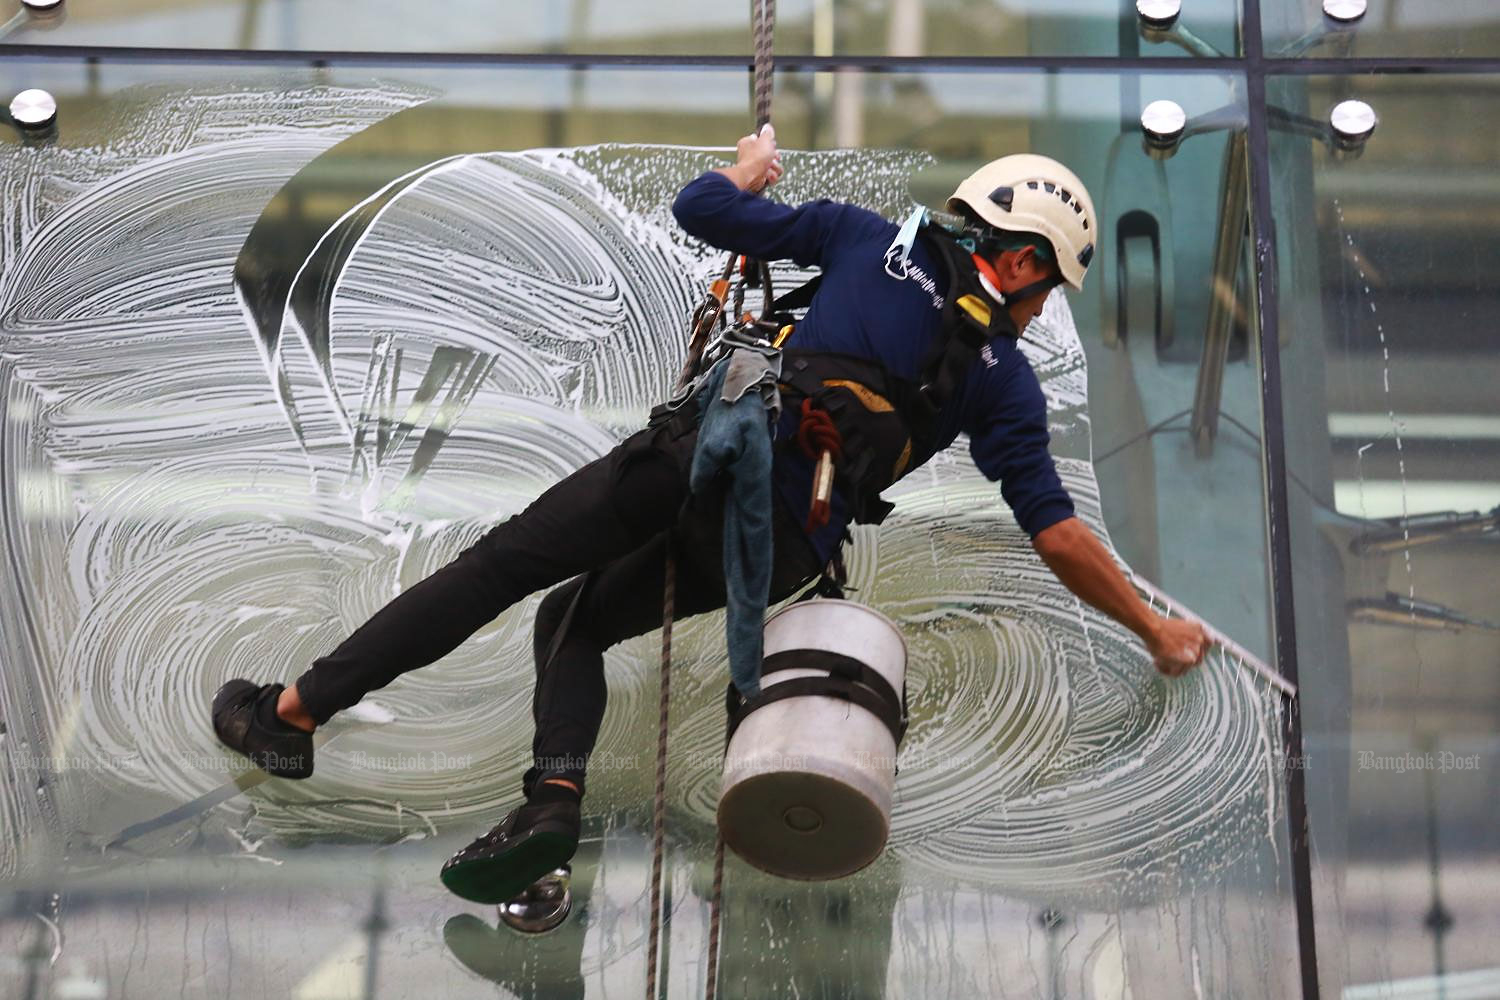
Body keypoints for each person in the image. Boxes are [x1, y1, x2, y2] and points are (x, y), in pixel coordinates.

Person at [211, 125, 1210, 905]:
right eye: (1046, 297)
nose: (1038, 317)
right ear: (1027, 263)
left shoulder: (866, 236)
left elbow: (700, 209)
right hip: (783, 543)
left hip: (710, 459)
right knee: (577, 618)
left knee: (504, 570)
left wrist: (748, 172)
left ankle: (294, 715)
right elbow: (1060, 535)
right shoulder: (1003, 383)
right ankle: (549, 799)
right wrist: (1155, 629)